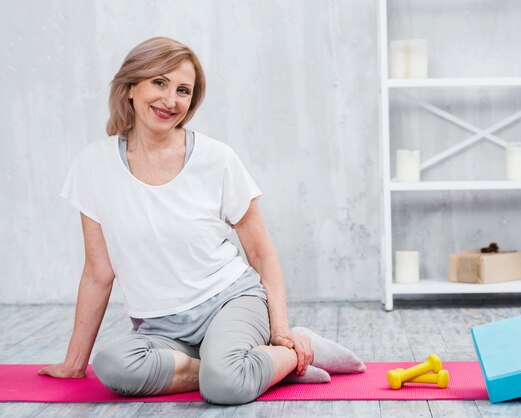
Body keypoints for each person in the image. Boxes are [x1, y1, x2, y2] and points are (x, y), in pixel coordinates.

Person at [39, 37, 365, 405]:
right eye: (158, 83)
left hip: (229, 303)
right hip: (161, 327)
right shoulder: (92, 165)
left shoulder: (216, 158)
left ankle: (292, 354)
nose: (170, 100)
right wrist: (74, 363)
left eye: (183, 90)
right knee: (113, 366)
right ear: (131, 87)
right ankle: (226, 364)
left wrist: (282, 330)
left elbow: (261, 255)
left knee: (225, 388)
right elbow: (98, 272)